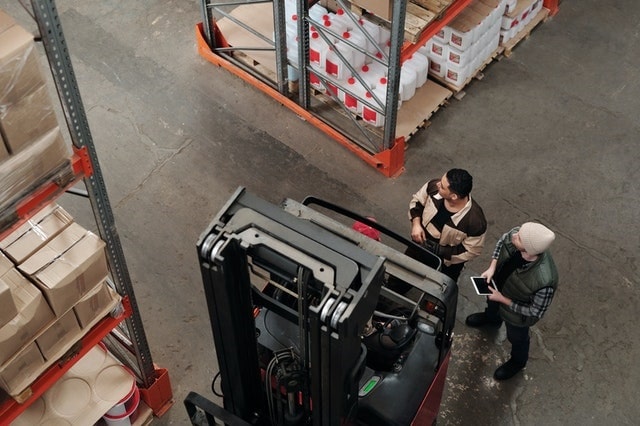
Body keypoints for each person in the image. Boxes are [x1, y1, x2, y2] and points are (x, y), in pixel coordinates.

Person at [465, 222, 558, 380]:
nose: (514, 235)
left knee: (517, 337)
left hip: (517, 315)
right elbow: (502, 241)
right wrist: (492, 267)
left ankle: (517, 362)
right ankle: (492, 320)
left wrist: (503, 299)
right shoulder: (518, 236)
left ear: (529, 249)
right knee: (492, 307)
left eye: (519, 238)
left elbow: (535, 311)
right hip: (497, 289)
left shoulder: (545, 281)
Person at [407, 168, 487, 282]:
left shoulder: (475, 221)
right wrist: (416, 224)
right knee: (403, 274)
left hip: (447, 264)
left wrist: (441, 251)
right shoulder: (433, 188)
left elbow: (472, 250)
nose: (438, 184)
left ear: (454, 196)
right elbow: (417, 202)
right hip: (419, 246)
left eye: (443, 186)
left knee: (438, 288)